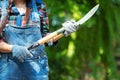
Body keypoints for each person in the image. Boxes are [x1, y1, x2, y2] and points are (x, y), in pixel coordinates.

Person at [0, 0, 78, 80]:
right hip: (8, 69)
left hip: (36, 69)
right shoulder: (2, 7)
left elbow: (45, 39)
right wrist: (13, 48)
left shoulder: (39, 5)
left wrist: (64, 32)